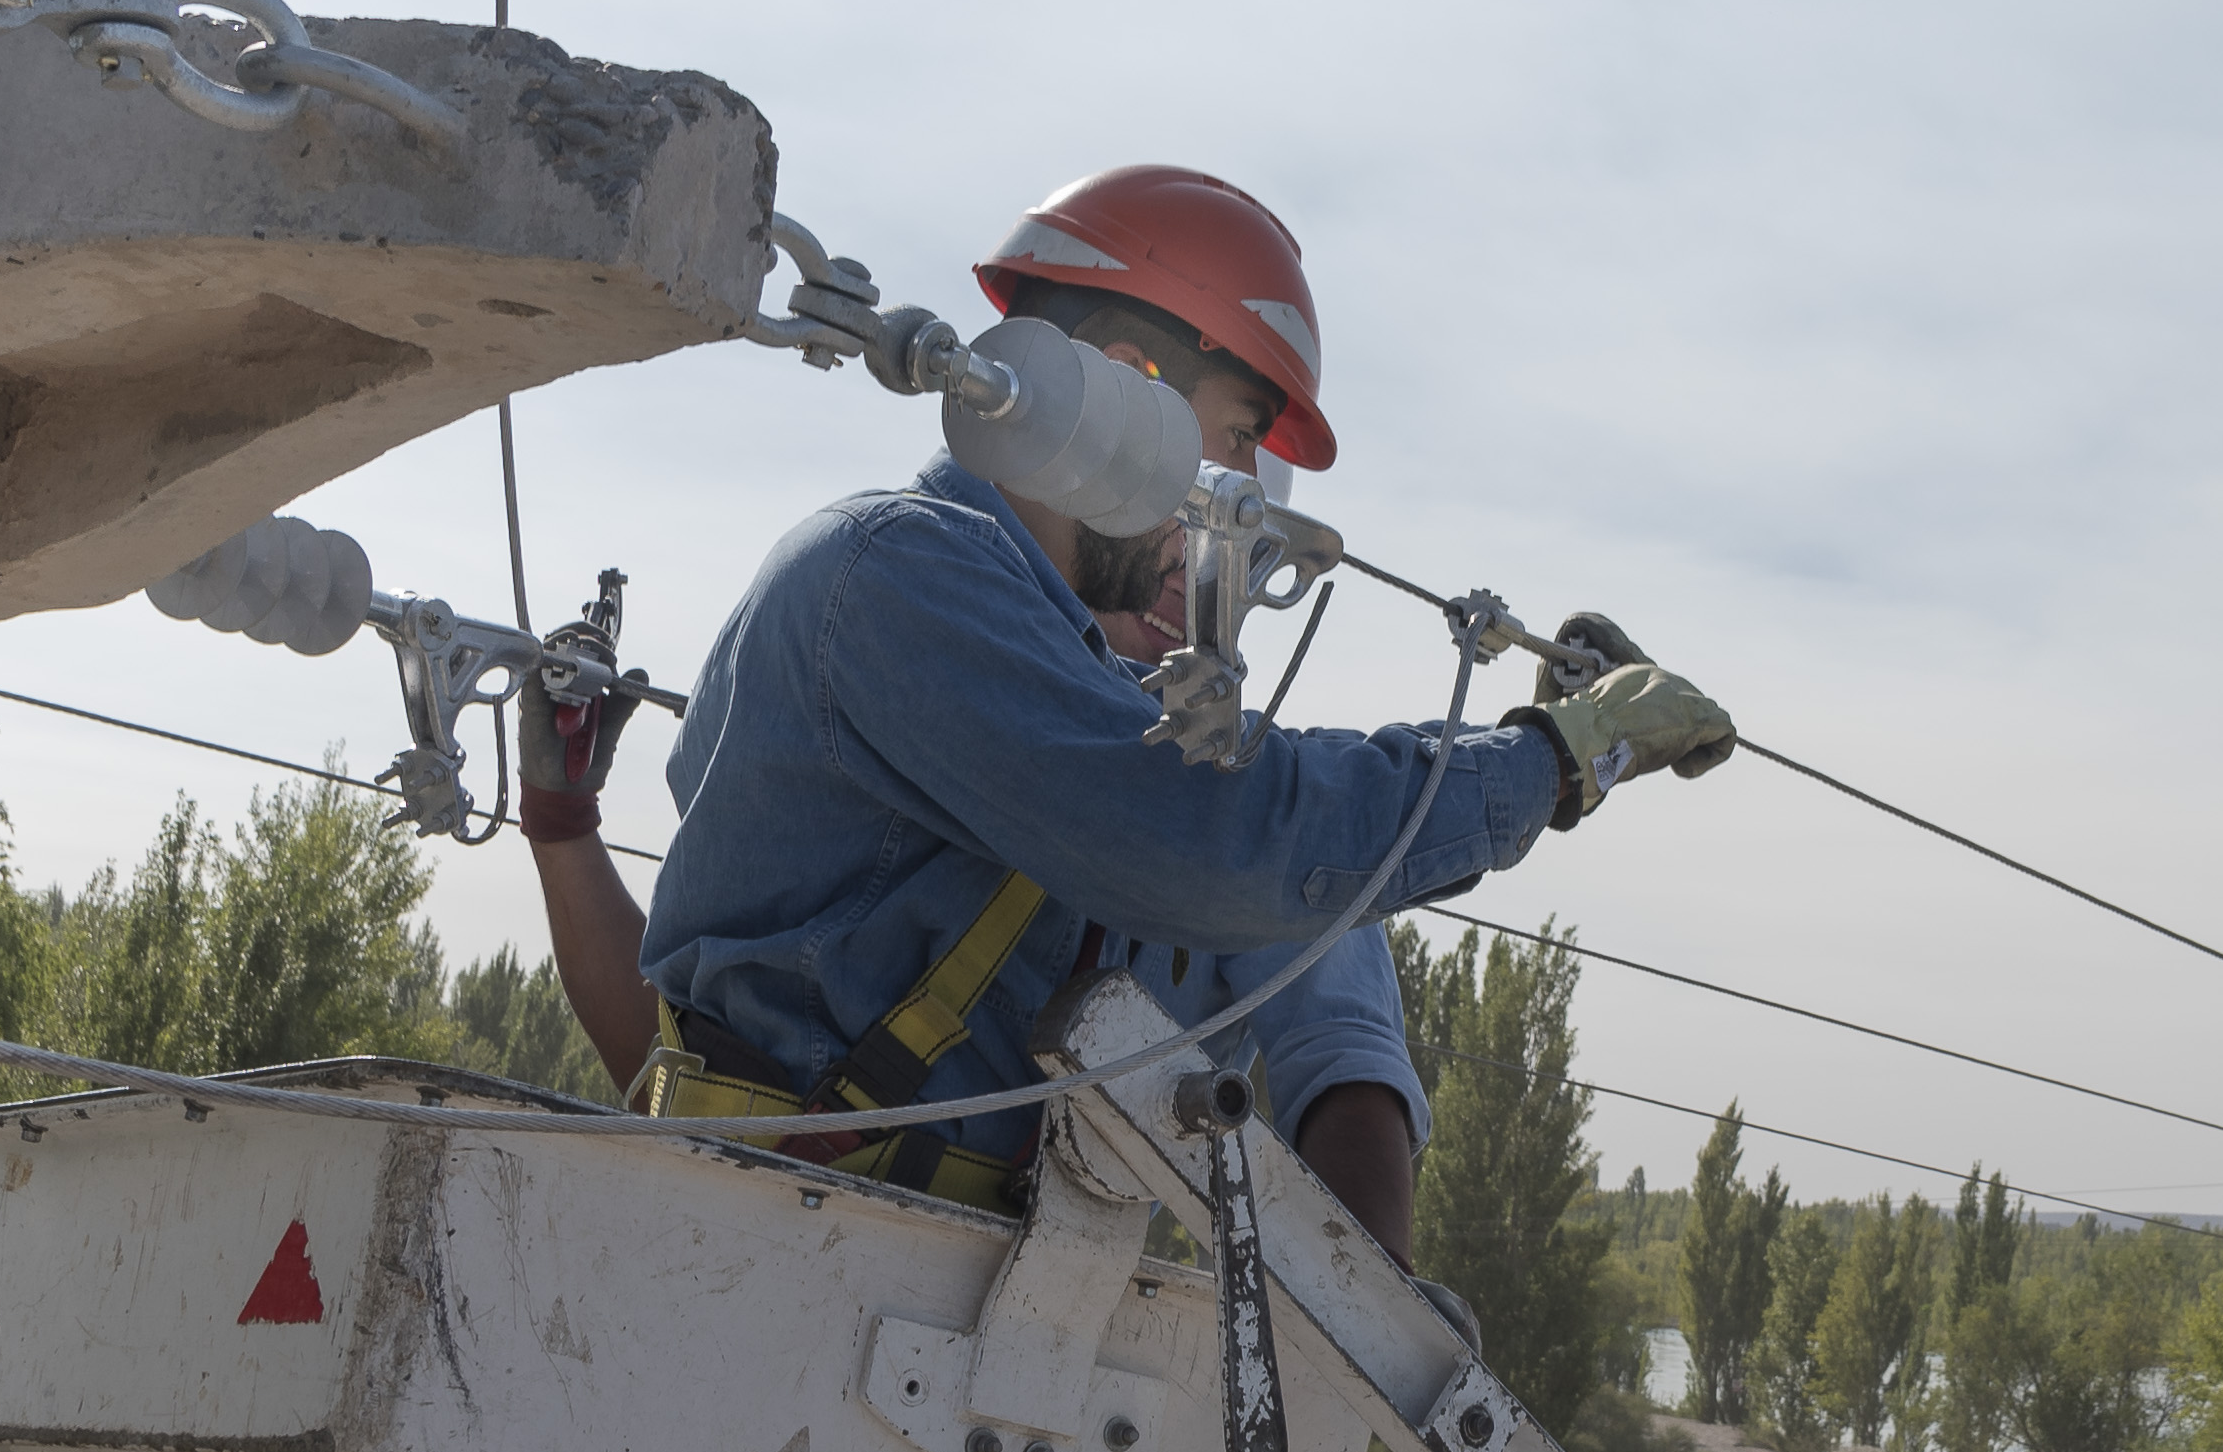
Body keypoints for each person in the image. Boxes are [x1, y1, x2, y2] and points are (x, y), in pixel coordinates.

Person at [510, 163, 1725, 1257]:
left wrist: (1372, 1326)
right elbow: (1213, 843)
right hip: (755, 1274)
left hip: (946, 1303)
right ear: (1124, 391)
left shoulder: (1111, 715)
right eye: (1234, 437)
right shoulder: (888, 577)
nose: (1234, 502)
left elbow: (1311, 966)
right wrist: (1547, 759)